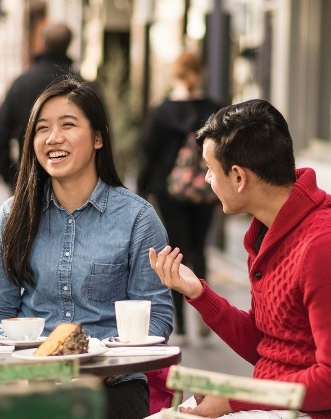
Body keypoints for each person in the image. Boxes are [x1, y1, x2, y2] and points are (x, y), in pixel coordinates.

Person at [149, 99, 331, 419]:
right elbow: (269, 346)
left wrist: (236, 399)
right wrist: (199, 294)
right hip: (277, 408)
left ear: (238, 177)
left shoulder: (329, 247)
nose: (206, 179)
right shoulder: (271, 236)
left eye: (209, 169)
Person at [0, 78, 173, 419]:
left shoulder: (138, 218)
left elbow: (156, 317)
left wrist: (101, 369)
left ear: (99, 137)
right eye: (42, 129)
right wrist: (23, 361)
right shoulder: (13, 214)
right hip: (28, 378)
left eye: (68, 125)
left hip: (112, 384)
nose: (53, 138)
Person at [137, 51, 223, 339]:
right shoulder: (214, 109)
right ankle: (205, 312)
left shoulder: (162, 111)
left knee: (176, 251)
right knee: (199, 249)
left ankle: (182, 325)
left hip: (169, 190)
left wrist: (143, 189)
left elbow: (148, 152)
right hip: (206, 186)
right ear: (201, 72)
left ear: (176, 74)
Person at [0, 22, 79, 189]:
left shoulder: (23, 83)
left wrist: (12, 177)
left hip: (31, 181)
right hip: (72, 182)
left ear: (42, 44)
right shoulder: (80, 84)